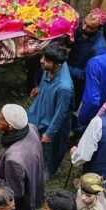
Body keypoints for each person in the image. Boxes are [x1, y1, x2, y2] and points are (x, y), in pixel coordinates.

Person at [27, 41, 75, 180]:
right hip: (40, 111)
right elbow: (46, 73)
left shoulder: (64, 88)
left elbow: (60, 114)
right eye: (43, 57)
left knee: (50, 150)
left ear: (58, 65)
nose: (41, 61)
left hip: (51, 123)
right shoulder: (52, 67)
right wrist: (40, 88)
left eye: (47, 61)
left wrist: (49, 134)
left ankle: (47, 172)